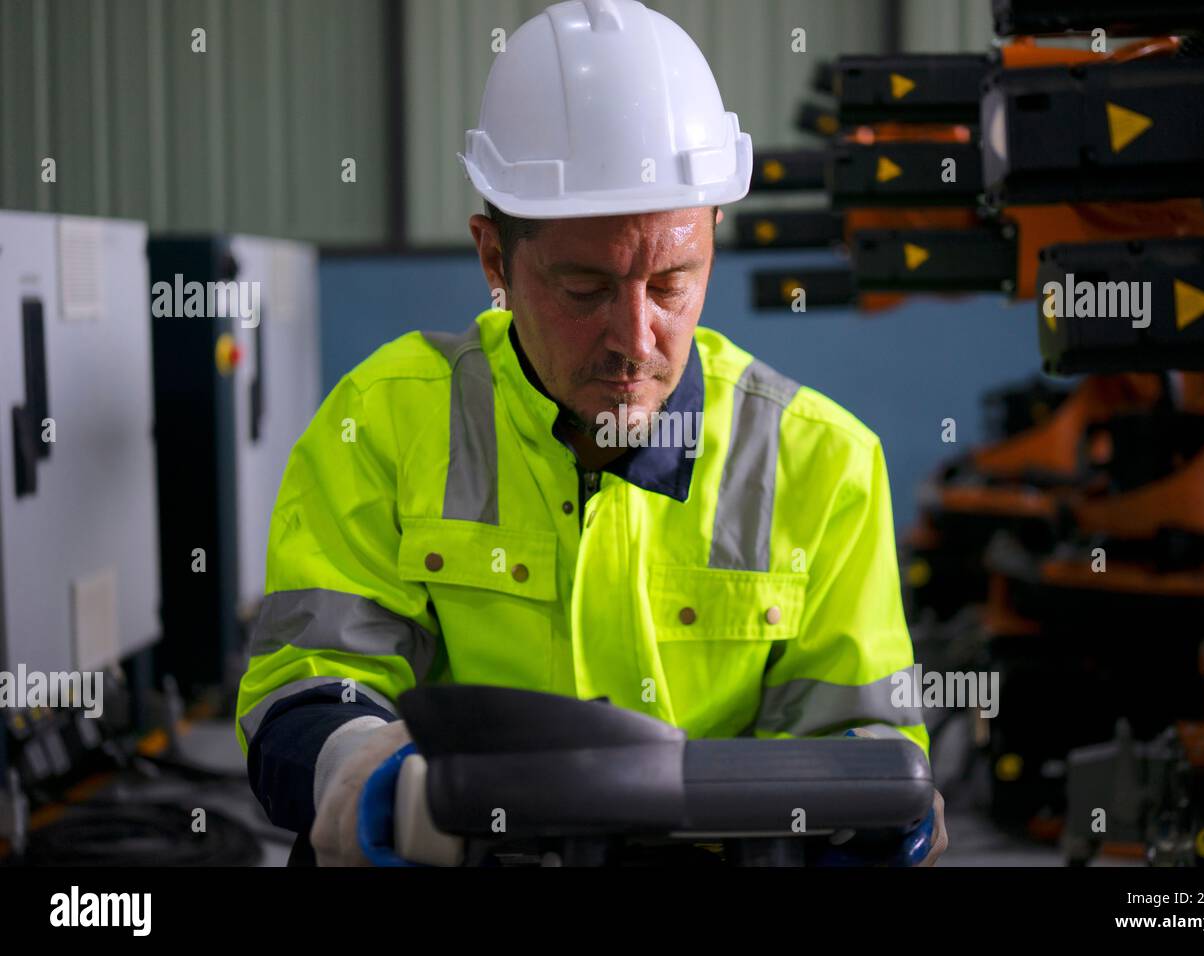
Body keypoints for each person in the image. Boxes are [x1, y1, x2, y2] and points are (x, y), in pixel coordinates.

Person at [236, 0, 946, 867]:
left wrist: (879, 801)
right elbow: (303, 689)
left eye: (672, 283)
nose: (634, 340)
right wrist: (360, 775)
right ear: (495, 258)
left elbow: (859, 731)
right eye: (584, 289)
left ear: (713, 239)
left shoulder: (822, 463)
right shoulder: (382, 422)